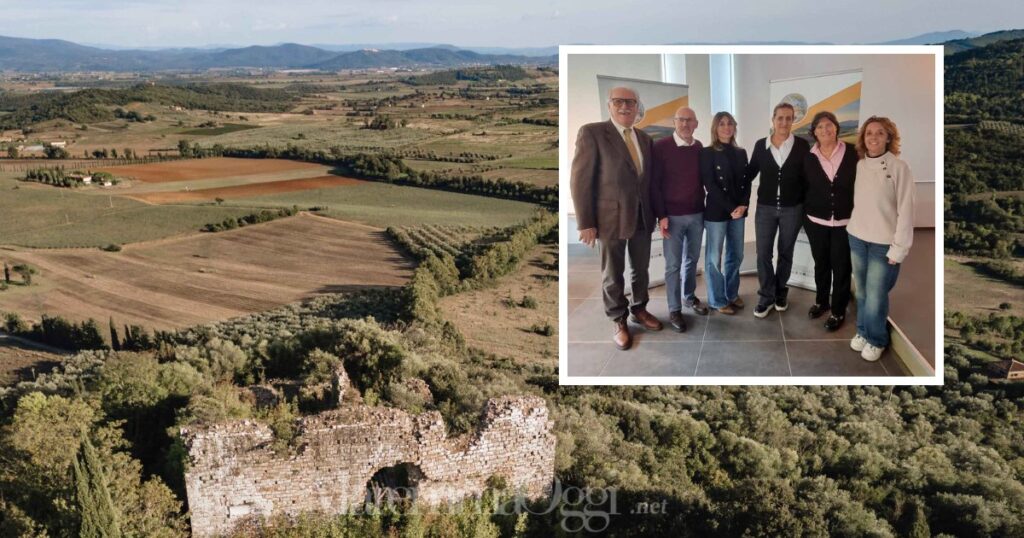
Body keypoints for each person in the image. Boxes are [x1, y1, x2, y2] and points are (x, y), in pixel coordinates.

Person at [570, 86, 662, 351]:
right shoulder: (593, 133)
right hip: (609, 219)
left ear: (637, 107)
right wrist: (585, 222)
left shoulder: (644, 138)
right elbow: (580, 180)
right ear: (609, 105)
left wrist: (658, 213)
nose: (625, 107)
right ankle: (618, 320)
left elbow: (649, 182)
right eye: (619, 102)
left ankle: (640, 309)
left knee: (641, 270)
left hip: (643, 217)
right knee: (612, 274)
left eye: (630, 102)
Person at [847, 116, 914, 361]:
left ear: (889, 137)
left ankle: (877, 339)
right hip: (857, 237)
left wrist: (899, 249)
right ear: (863, 139)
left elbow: (906, 210)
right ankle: (863, 332)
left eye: (879, 133)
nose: (873, 137)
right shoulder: (861, 165)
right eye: (869, 133)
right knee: (862, 292)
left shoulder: (899, 167)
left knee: (876, 294)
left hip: (883, 243)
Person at [746, 102, 810, 318]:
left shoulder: (802, 145)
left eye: (788, 118)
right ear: (773, 120)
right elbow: (749, 174)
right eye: (780, 118)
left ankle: (780, 292)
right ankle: (766, 296)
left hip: (793, 209)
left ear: (793, 120)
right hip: (765, 208)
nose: (784, 122)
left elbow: (809, 178)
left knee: (785, 252)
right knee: (763, 253)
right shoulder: (760, 145)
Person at [651, 106, 709, 332]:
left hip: (697, 214)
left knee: (692, 259)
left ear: (696, 124)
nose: (685, 124)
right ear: (674, 122)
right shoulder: (661, 147)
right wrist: (661, 215)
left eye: (690, 120)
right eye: (681, 120)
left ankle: (689, 297)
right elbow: (654, 184)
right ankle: (674, 309)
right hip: (672, 218)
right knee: (673, 265)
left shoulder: (699, 147)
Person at [803, 111, 858, 331]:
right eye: (819, 127)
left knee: (842, 267)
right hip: (816, 221)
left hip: (845, 222)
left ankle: (837, 311)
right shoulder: (808, 157)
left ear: (836, 127)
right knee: (822, 264)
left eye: (829, 125)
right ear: (814, 132)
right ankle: (822, 301)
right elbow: (803, 187)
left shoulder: (853, 153)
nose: (825, 130)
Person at [700, 112, 749, 314]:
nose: (727, 127)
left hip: (739, 211)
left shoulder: (741, 152)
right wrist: (731, 208)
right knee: (714, 257)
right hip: (717, 211)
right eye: (722, 124)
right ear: (715, 128)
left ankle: (731, 293)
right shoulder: (707, 152)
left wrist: (744, 205)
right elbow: (710, 185)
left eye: (730, 123)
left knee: (736, 254)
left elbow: (746, 182)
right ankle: (717, 300)